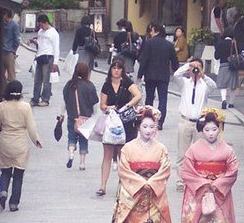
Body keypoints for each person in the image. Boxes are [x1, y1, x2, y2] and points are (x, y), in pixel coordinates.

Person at [0, 80, 43, 211]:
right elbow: (31, 127)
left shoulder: (2, 106)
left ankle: (3, 190)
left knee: (5, 171)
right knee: (18, 174)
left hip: (6, 141)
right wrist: (36, 140)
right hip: (20, 143)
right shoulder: (25, 107)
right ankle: (14, 203)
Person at [112, 106, 172, 223]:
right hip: (133, 193)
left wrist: (151, 183)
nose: (148, 130)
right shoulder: (128, 148)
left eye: (152, 127)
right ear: (138, 127)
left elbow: (165, 170)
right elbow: (124, 171)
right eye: (145, 127)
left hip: (153, 191)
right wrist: (141, 183)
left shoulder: (161, 148)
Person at [181, 108, 238, 223]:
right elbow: (186, 171)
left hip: (219, 190)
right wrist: (204, 184)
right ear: (202, 130)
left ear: (219, 129)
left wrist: (217, 184)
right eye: (207, 130)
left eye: (214, 129)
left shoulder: (227, 150)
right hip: (198, 190)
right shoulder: (194, 149)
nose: (211, 133)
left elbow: (233, 171)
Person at [96, 58, 142, 196]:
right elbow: (102, 105)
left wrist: (127, 106)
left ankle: (124, 184)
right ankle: (103, 185)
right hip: (111, 122)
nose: (116, 70)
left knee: (124, 154)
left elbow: (138, 95)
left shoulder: (126, 82)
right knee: (107, 154)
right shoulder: (106, 86)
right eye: (114, 68)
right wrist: (107, 107)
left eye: (119, 68)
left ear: (122, 70)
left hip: (125, 122)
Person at [173, 58, 217, 191]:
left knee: (199, 153)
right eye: (194, 68)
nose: (195, 70)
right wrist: (188, 65)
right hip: (185, 120)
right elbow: (176, 75)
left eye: (198, 67)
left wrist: (202, 75)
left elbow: (214, 86)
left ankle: (197, 180)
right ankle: (181, 180)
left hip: (199, 122)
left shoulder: (205, 85)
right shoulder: (184, 83)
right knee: (182, 153)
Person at [137, 21, 179, 130]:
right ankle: (160, 122)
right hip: (163, 75)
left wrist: (140, 74)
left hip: (150, 74)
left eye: (151, 30)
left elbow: (144, 60)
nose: (150, 32)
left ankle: (148, 119)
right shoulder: (169, 45)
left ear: (156, 30)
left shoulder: (148, 43)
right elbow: (175, 61)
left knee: (149, 97)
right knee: (163, 99)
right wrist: (176, 71)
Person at [62, 62, 99, 170]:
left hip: (72, 117)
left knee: (71, 137)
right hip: (85, 118)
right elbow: (94, 103)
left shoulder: (69, 85)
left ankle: (71, 153)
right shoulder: (89, 86)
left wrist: (61, 115)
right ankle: (82, 163)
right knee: (83, 140)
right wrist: (94, 115)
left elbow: (64, 101)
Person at [30, 14, 60, 107]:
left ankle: (45, 99)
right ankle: (35, 98)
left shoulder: (53, 33)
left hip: (48, 57)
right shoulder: (40, 32)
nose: (41, 27)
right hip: (40, 56)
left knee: (46, 80)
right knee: (37, 79)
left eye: (41, 24)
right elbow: (40, 44)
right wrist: (34, 42)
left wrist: (56, 62)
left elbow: (56, 48)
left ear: (46, 23)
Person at [214, 30, 238, 109]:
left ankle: (223, 100)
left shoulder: (220, 43)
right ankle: (231, 103)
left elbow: (216, 56)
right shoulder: (234, 43)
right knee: (233, 85)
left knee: (223, 85)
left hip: (223, 65)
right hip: (233, 66)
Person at [1, 9, 20, 89]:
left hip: (9, 52)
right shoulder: (2, 24)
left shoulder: (14, 25)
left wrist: (14, 50)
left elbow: (17, 39)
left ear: (6, 14)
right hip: (2, 50)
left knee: (11, 73)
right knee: (1, 73)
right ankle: (3, 90)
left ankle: (13, 91)